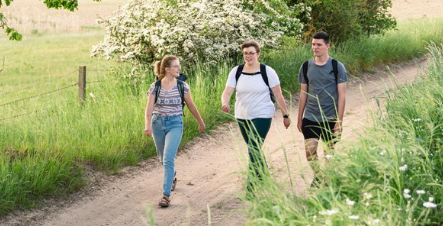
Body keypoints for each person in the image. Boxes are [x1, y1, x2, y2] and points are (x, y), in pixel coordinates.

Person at [221, 40, 290, 191]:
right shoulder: (236, 71)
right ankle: (265, 177)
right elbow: (227, 92)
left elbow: (278, 95)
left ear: (258, 54)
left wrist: (286, 115)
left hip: (262, 113)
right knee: (254, 148)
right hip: (242, 115)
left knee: (253, 146)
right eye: (245, 53)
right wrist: (225, 102)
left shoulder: (268, 71)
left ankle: (251, 185)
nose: (248, 56)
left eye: (251, 53)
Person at [144, 55, 206, 208]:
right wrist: (147, 125)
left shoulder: (182, 86)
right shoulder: (155, 86)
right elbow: (149, 108)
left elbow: (191, 105)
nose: (179, 69)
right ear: (167, 69)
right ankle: (172, 176)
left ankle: (166, 195)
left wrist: (200, 121)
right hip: (157, 123)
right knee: (161, 157)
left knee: (168, 157)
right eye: (176, 66)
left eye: (179, 66)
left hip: (175, 123)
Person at [297, 31, 347, 185]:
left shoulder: (337, 67)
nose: (315, 47)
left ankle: (328, 179)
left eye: (319, 44)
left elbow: (342, 95)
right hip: (311, 116)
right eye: (313, 44)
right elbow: (303, 93)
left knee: (328, 153)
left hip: (330, 117)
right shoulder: (306, 66)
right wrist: (300, 118)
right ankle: (318, 176)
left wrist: (339, 121)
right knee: (309, 151)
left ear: (327, 46)